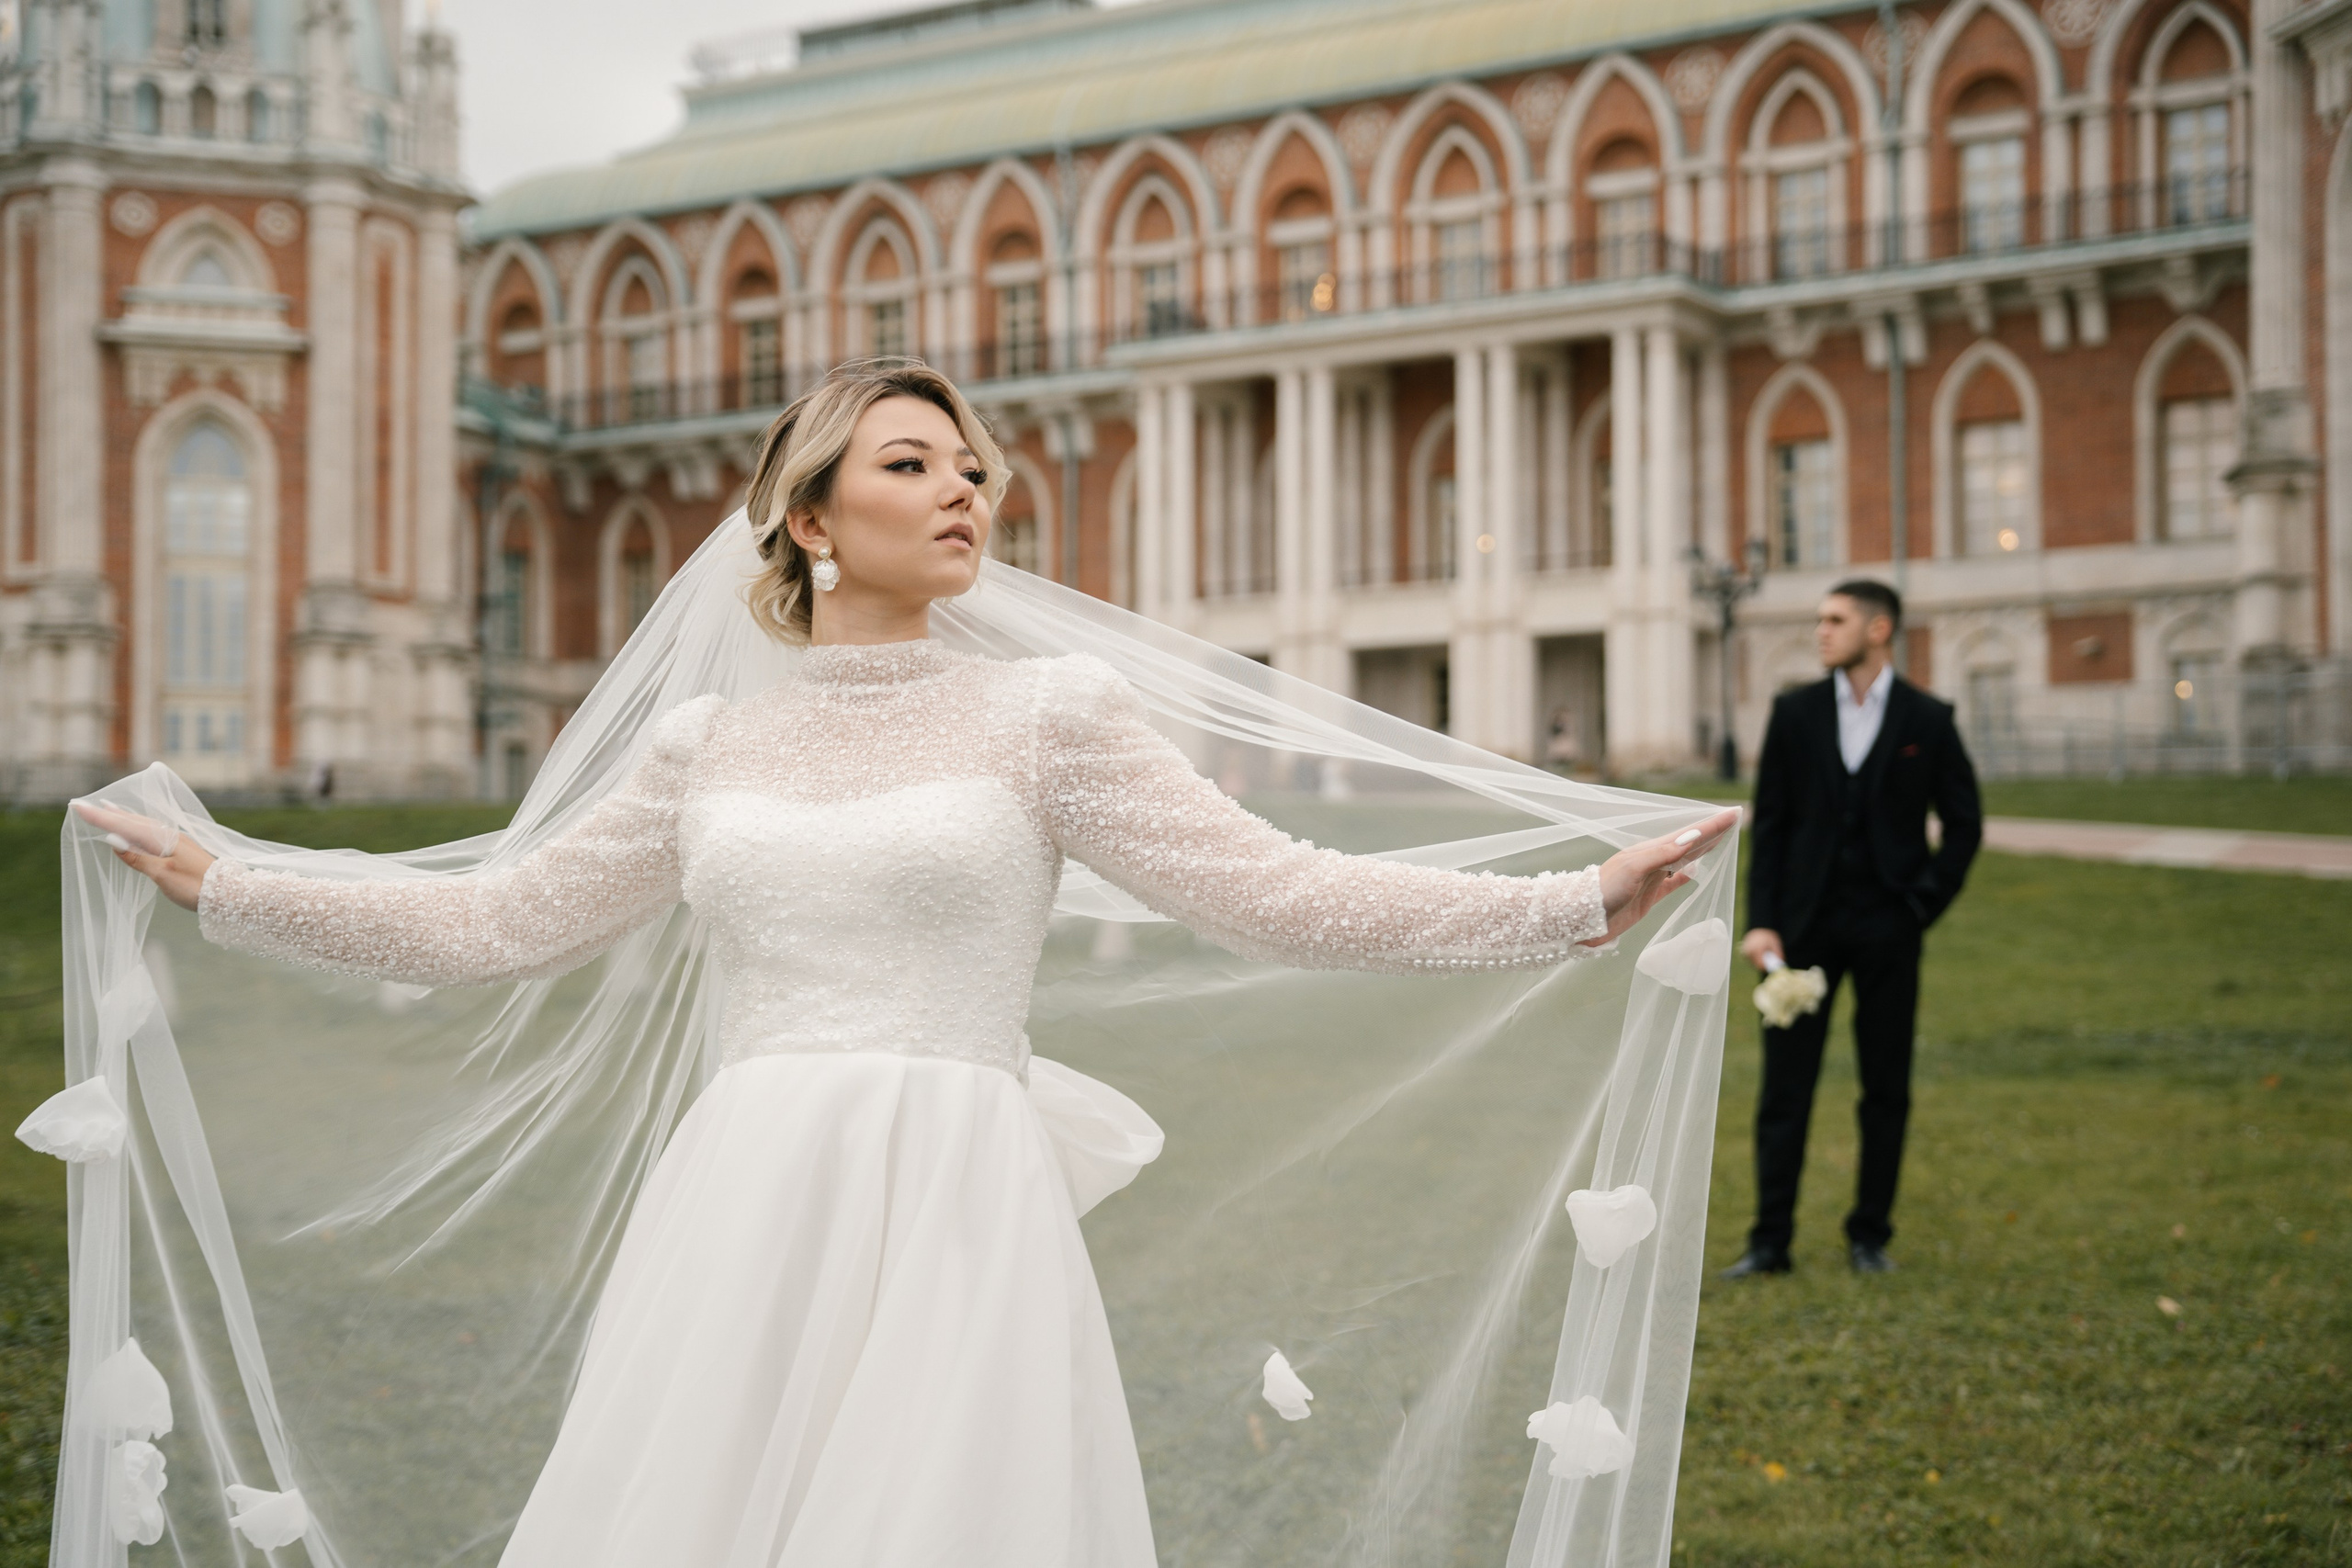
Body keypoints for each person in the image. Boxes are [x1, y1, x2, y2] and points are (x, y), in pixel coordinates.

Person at [79, 361, 1737, 1567]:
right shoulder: (704, 741)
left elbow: (1279, 894)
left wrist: (1565, 901)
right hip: (746, 1199)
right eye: (912, 463)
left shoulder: (1048, 714)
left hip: (958, 1195)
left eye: (973, 467)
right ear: (809, 518)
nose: (966, 490)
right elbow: (488, 922)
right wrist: (233, 879)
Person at [1726, 580, 1981, 1278]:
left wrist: (1920, 904)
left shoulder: (1928, 719)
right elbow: (1771, 825)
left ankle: (1869, 1234)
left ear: (1879, 628)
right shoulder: (1794, 712)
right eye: (1819, 620)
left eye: (1835, 620)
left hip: (1888, 931)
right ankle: (1769, 1241)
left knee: (1885, 1084)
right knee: (1785, 1090)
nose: (1820, 631)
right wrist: (1762, 924)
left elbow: (1965, 822)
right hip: (1801, 929)